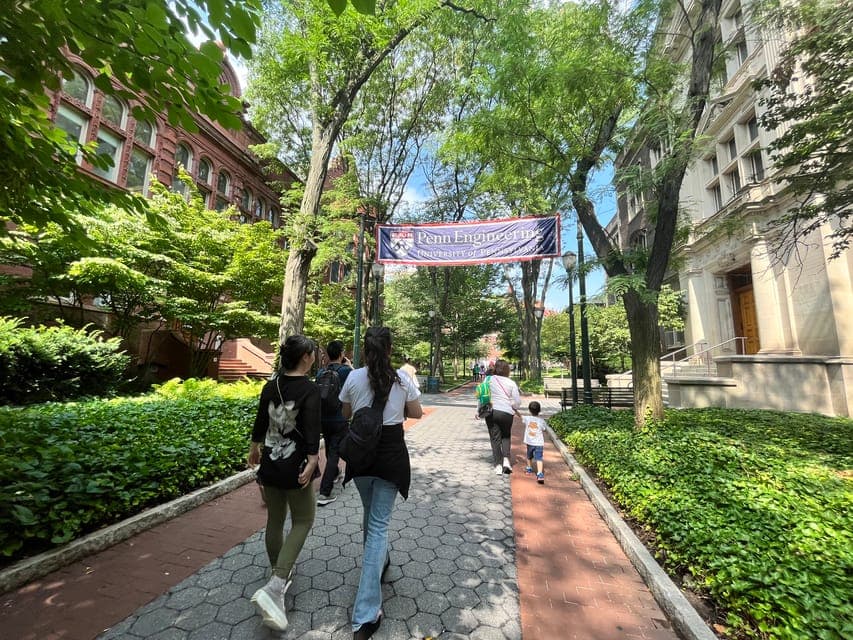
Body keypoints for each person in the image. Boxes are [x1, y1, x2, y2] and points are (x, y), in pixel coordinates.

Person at [339, 327, 423, 640]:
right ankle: (365, 614)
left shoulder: (353, 376)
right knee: (377, 526)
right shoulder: (402, 378)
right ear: (389, 349)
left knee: (370, 516)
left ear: (366, 348)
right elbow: (415, 412)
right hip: (390, 454)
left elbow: (346, 412)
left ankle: (380, 561)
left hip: (361, 454)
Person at [247, 335, 321, 632]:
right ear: (304, 357)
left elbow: (259, 423)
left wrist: (254, 448)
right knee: (303, 519)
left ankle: (279, 574)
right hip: (296, 468)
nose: (314, 356)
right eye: (312, 352)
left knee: (275, 520)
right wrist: (314, 459)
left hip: (270, 464)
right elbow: (313, 429)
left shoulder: (270, 385)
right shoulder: (310, 390)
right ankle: (276, 585)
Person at [316, 340, 352, 506]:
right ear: (341, 354)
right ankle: (324, 492)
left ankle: (336, 472)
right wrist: (350, 365)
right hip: (339, 418)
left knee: (331, 446)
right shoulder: (346, 371)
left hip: (323, 418)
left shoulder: (321, 372)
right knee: (335, 452)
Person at [484, 359, 521, 475]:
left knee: (495, 438)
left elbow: (482, 396)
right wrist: (512, 406)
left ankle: (498, 465)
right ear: (507, 370)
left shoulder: (488, 379)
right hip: (506, 413)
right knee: (506, 436)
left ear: (495, 368)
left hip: (492, 412)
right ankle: (506, 460)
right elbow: (517, 402)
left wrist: (478, 410)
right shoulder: (511, 382)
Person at [523, 401, 546, 484]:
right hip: (539, 443)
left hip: (530, 442)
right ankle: (540, 474)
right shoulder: (541, 421)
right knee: (539, 458)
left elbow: (520, 416)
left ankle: (529, 468)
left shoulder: (527, 418)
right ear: (539, 410)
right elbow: (544, 428)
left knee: (529, 456)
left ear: (529, 410)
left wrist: (514, 409)